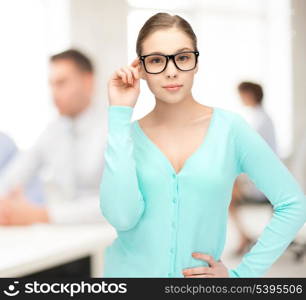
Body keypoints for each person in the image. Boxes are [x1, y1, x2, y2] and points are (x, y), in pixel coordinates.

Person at [99, 13, 306, 278]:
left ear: (196, 63)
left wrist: (242, 276)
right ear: (140, 70)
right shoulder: (125, 136)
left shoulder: (230, 129)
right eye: (156, 60)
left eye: (182, 57)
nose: (171, 70)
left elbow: (292, 203)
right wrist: (118, 113)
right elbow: (121, 217)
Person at [0, 49, 106, 225]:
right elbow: (14, 177)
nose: (54, 93)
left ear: (88, 82)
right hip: (61, 238)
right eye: (51, 84)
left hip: (105, 240)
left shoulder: (115, 131)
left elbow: (118, 205)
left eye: (61, 83)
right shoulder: (52, 132)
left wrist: (42, 215)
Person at [229, 81, 278, 256]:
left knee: (226, 195)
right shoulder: (261, 117)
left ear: (249, 95)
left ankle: (243, 237)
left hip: (264, 183)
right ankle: (244, 237)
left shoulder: (260, 121)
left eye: (241, 94)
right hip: (265, 178)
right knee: (228, 188)